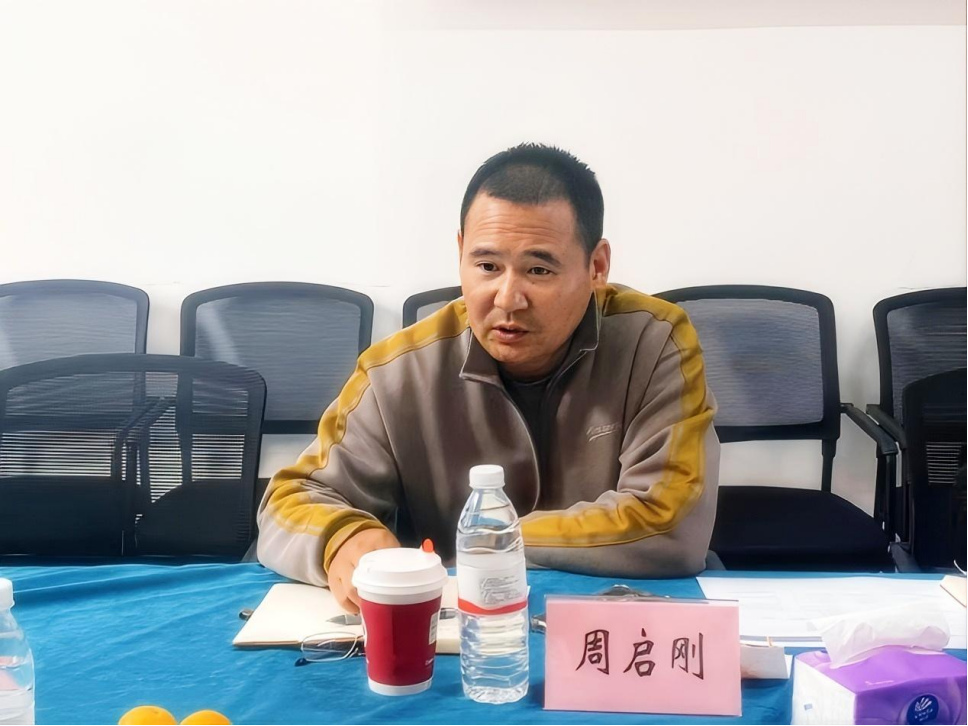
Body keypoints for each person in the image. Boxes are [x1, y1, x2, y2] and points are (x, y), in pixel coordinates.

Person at [258, 143, 719, 612]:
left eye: (538, 269)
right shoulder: (397, 371)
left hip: (606, 615)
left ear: (596, 266)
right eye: (487, 267)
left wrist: (489, 541)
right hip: (463, 628)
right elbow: (290, 500)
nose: (507, 298)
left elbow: (670, 521)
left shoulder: (654, 342)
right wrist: (341, 537)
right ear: (460, 252)